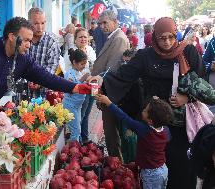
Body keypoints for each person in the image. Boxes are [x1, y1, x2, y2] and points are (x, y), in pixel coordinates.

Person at [88, 17, 207, 189]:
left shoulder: (188, 52)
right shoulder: (146, 56)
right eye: (162, 38)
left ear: (176, 35)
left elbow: (203, 82)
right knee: (154, 165)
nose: (167, 42)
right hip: (155, 121)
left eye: (171, 37)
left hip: (182, 122)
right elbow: (123, 75)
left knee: (181, 165)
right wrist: (101, 79)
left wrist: (186, 98)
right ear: (155, 38)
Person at [0, 17, 91, 128]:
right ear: (12, 36)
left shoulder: (23, 60)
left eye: (30, 41)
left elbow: (46, 78)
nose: (28, 45)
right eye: (26, 40)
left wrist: (74, 87)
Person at [96, 95, 173, 189]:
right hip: (163, 169)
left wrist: (109, 103)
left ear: (150, 121)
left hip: (150, 174)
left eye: (145, 111)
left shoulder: (144, 130)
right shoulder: (165, 131)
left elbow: (124, 118)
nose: (143, 110)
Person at [91, 9, 130, 158]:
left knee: (111, 131)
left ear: (115, 22)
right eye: (100, 23)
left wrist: (98, 81)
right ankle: (116, 161)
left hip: (110, 91)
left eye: (105, 23)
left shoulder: (118, 38)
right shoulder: (113, 37)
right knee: (110, 132)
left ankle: (117, 163)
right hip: (107, 89)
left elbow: (112, 68)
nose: (102, 26)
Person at [62, 49, 90, 141]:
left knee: (77, 128)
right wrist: (84, 80)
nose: (84, 66)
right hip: (70, 106)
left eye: (85, 64)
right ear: (74, 62)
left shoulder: (78, 72)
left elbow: (78, 82)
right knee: (76, 130)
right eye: (82, 64)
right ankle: (74, 149)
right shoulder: (69, 74)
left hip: (77, 106)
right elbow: (71, 88)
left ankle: (76, 146)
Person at [28, 7, 60, 74]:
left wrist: (37, 81)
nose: (40, 28)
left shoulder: (52, 42)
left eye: (42, 23)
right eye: (36, 23)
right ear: (29, 23)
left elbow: (52, 68)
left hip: (43, 82)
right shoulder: (23, 39)